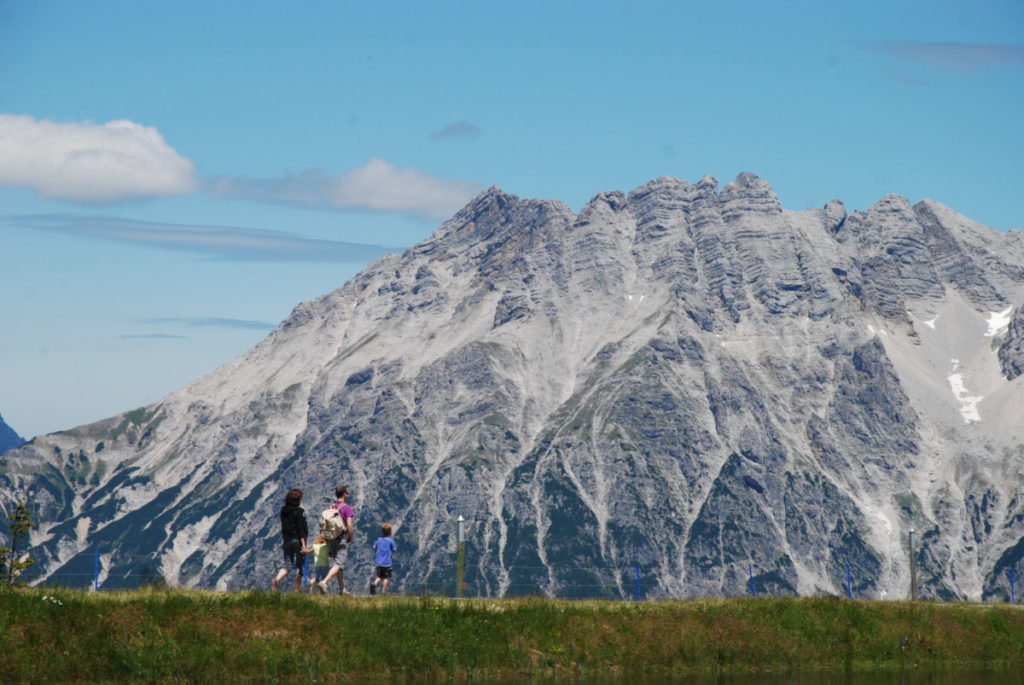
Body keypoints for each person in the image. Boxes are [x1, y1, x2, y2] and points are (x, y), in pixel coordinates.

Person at [270, 488, 310, 592]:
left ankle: (276, 580)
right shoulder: (299, 512)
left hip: (287, 541)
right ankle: (296, 590)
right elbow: (301, 530)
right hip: (297, 541)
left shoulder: (284, 512)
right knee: (299, 566)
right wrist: (304, 545)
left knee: (287, 566)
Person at [319, 485, 354, 594]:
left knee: (338, 564)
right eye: (347, 492)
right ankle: (324, 582)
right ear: (344, 494)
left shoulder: (331, 507)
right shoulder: (347, 508)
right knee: (339, 563)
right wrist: (350, 536)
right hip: (341, 538)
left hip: (331, 538)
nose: (348, 494)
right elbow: (349, 525)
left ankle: (342, 589)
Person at [370, 523, 397, 595]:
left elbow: (374, 547)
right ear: (390, 532)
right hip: (387, 563)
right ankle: (383, 592)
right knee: (386, 578)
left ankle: (374, 583)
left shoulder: (378, 540)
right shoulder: (391, 541)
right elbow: (394, 549)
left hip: (378, 562)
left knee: (379, 576)